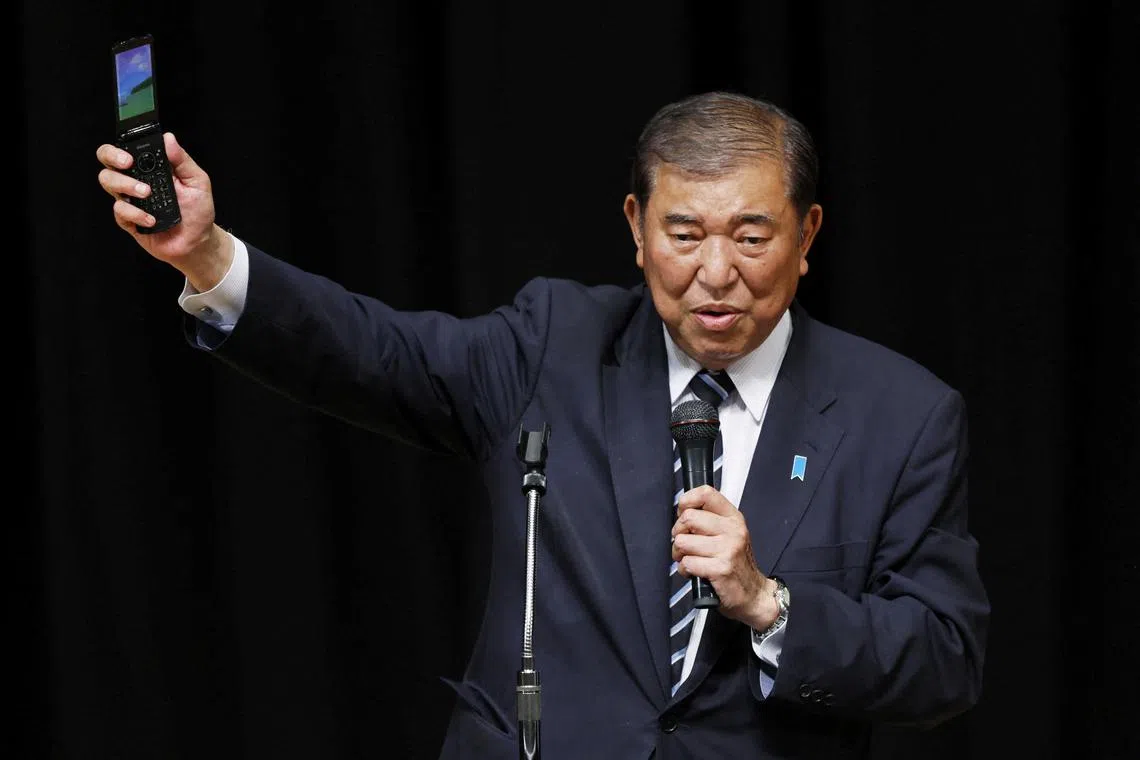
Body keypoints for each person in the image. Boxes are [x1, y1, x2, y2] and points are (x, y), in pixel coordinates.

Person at [96, 91, 989, 759]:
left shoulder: (899, 414)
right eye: (685, 234)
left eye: (752, 237)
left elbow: (945, 661)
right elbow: (375, 353)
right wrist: (207, 255)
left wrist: (769, 603)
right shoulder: (554, 344)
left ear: (808, 234)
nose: (717, 273)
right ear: (637, 229)